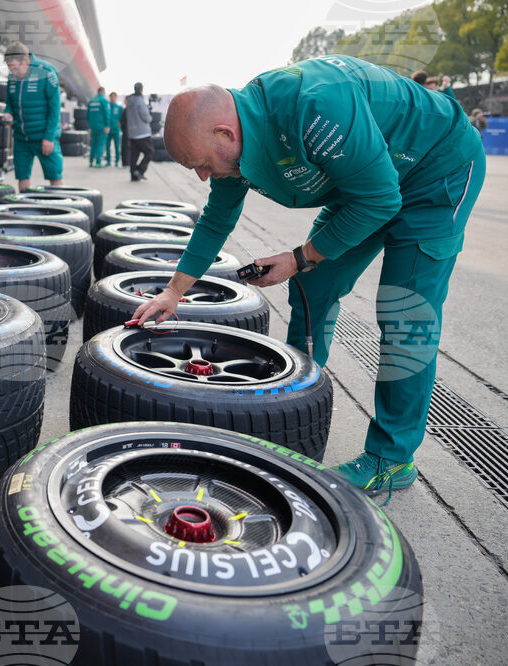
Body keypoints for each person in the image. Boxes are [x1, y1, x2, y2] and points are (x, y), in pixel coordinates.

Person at [134, 55, 485, 499]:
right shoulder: (239, 134)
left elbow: (379, 201)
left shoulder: (316, 106)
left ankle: (393, 458)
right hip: (369, 181)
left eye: (201, 164)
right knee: (314, 285)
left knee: (404, 312)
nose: (204, 175)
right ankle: (297, 403)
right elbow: (216, 216)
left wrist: (301, 256)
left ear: (225, 133)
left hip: (437, 171)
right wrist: (173, 291)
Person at [4, 42, 63, 190]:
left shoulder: (46, 71)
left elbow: (55, 108)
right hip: (21, 138)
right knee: (22, 176)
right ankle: (24, 208)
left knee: (54, 175)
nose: (12, 72)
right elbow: (9, 102)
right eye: (9, 67)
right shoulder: (12, 76)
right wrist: (8, 113)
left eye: (15, 67)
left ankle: (59, 206)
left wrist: (49, 137)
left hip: (44, 137)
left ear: (25, 61)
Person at [126, 82, 153, 181]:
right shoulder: (140, 101)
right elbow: (146, 117)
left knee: (134, 155)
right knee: (150, 152)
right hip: (143, 133)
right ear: (141, 89)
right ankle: (140, 170)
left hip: (132, 133)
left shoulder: (129, 101)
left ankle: (134, 176)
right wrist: (150, 116)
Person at [86, 87, 111, 167]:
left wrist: (91, 124)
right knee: (100, 145)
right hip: (102, 126)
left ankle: (90, 161)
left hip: (93, 126)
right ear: (103, 92)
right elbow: (107, 114)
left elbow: (87, 115)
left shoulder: (91, 101)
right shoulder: (104, 101)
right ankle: (98, 162)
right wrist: (107, 125)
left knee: (93, 144)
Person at [105, 91, 124, 167]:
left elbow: (122, 118)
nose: (112, 98)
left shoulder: (119, 108)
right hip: (108, 130)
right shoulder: (107, 106)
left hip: (116, 130)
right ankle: (108, 161)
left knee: (117, 146)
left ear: (116, 98)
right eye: (111, 97)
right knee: (108, 146)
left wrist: (120, 123)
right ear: (109, 98)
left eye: (114, 97)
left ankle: (116, 161)